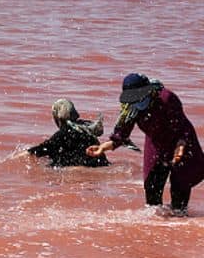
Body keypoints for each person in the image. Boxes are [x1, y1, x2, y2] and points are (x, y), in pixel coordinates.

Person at [87, 73, 204, 216]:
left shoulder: (167, 99)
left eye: (140, 98)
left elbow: (181, 127)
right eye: (134, 100)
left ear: (149, 92)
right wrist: (103, 147)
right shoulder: (130, 108)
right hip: (156, 143)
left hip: (182, 141)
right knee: (152, 188)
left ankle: (179, 222)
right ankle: (155, 229)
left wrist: (180, 147)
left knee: (180, 189)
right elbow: (121, 135)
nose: (138, 102)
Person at [26, 99, 109, 167]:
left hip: (78, 171)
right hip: (101, 165)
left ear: (57, 118)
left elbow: (39, 150)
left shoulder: (62, 134)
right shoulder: (87, 128)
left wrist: (14, 159)